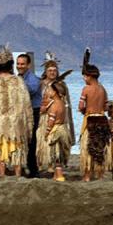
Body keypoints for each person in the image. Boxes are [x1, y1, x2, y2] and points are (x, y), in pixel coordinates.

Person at [0, 45, 34, 178]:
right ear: (11, 65)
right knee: (16, 148)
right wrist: (28, 125)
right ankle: (17, 174)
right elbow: (26, 105)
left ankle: (2, 173)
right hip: (15, 123)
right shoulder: (18, 81)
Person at [36, 53, 73, 182]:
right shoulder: (40, 84)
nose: (52, 73)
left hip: (57, 117)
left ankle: (54, 166)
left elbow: (66, 104)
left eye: (54, 70)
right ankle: (42, 164)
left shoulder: (61, 86)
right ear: (45, 72)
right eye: (50, 70)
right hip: (43, 116)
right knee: (42, 142)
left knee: (56, 144)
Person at [78, 60, 110, 182]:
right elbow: (106, 107)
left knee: (87, 147)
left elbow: (81, 106)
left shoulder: (86, 89)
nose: (84, 78)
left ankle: (87, 175)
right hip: (102, 119)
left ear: (90, 76)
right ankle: (100, 175)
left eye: (85, 76)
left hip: (90, 120)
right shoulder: (103, 89)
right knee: (100, 147)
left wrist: (84, 110)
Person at [16, 52, 43, 177]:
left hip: (33, 112)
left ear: (28, 65)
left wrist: (18, 83)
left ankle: (33, 169)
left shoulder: (33, 79)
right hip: (21, 112)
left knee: (32, 141)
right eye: (18, 64)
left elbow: (30, 91)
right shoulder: (18, 78)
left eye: (22, 64)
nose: (20, 66)